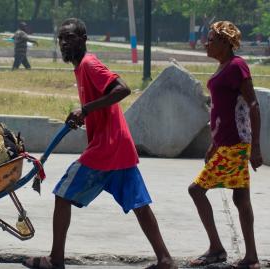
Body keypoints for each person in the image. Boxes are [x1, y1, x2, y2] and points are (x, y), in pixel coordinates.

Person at [22, 18, 176, 269]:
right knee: (140, 205)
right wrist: (86, 115)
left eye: (70, 37)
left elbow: (122, 89)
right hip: (119, 148)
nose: (64, 43)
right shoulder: (81, 68)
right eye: (61, 38)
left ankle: (55, 259)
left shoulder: (89, 64)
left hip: (105, 149)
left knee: (62, 195)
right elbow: (102, 104)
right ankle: (165, 260)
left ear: (83, 39)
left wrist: (85, 109)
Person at [188, 21, 262, 269]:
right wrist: (213, 144)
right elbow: (221, 112)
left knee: (196, 190)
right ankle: (249, 257)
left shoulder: (237, 66)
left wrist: (256, 148)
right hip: (226, 144)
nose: (206, 43)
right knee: (241, 199)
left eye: (210, 39)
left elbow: (253, 106)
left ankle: (218, 249)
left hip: (236, 145)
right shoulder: (223, 67)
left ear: (225, 42)